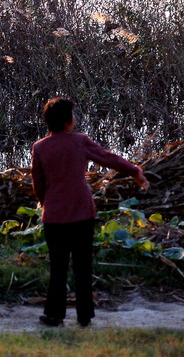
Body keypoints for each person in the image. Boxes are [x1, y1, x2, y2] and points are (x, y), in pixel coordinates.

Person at [31, 97, 149, 328]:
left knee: (58, 267)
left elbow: (39, 185)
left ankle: (54, 315)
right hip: (82, 213)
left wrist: (47, 203)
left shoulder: (40, 147)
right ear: (68, 121)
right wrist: (135, 171)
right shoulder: (79, 141)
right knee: (83, 266)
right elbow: (108, 158)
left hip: (54, 216)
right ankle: (85, 315)